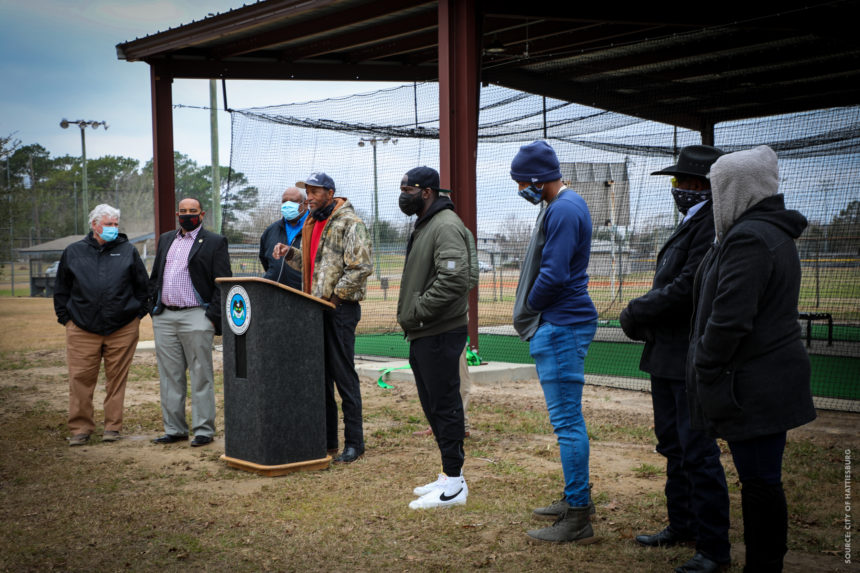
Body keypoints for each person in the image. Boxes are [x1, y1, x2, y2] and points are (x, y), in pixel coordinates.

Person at [688, 145, 816, 573]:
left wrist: (704, 364)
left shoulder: (750, 238)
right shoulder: (769, 231)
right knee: (762, 480)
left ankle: (764, 565)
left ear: (738, 189)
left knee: (760, 483)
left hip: (758, 386)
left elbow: (730, 320)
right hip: (767, 381)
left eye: (719, 188)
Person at [619, 145, 731, 573]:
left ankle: (713, 548)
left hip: (688, 357)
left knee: (697, 451)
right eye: (677, 182)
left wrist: (637, 310)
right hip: (665, 357)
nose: (679, 189)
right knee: (673, 446)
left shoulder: (713, 226)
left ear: (706, 187)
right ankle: (681, 525)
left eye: (686, 183)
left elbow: (687, 287)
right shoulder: (691, 222)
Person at [510, 141, 599, 543]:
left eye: (520, 183)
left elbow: (554, 274)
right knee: (567, 421)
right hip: (562, 321)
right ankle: (574, 498)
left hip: (561, 324)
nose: (519, 191)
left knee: (567, 424)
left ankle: (578, 516)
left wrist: (530, 307)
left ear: (536, 178)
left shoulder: (563, 208)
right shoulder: (564, 204)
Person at [273, 172, 372, 463]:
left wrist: (335, 298)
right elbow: (314, 262)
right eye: (309, 192)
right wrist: (289, 253)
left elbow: (361, 267)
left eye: (315, 192)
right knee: (320, 378)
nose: (310, 197)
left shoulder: (350, 222)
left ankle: (355, 443)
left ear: (330, 193)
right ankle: (327, 440)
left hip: (339, 310)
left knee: (344, 377)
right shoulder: (312, 222)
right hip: (313, 309)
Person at [395, 166, 475, 510]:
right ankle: (447, 475)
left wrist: (417, 310)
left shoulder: (445, 225)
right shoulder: (428, 223)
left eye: (407, 190)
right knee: (433, 405)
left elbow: (456, 279)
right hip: (426, 330)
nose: (403, 196)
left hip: (439, 330)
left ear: (427, 192)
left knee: (445, 405)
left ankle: (456, 485)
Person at [53, 204, 150, 446]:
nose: (113, 229)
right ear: (95, 225)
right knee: (80, 379)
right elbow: (61, 289)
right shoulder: (74, 252)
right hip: (82, 329)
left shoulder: (128, 251)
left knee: (116, 380)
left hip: (122, 328)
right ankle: (80, 429)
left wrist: (137, 315)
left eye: (116, 224)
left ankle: (112, 428)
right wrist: (66, 318)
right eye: (109, 225)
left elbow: (143, 287)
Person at [149, 197, 232, 447]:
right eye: (183, 211)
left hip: (197, 315)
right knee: (169, 375)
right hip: (165, 316)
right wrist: (152, 308)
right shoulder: (166, 239)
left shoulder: (215, 242)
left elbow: (223, 281)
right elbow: (155, 276)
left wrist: (211, 318)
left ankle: (203, 430)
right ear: (177, 213)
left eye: (192, 211)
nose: (187, 215)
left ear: (202, 213)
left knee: (200, 374)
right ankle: (174, 429)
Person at [412, 218, 479, 440]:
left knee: (457, 370)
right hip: (431, 315)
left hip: (451, 315)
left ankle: (461, 425)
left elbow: (468, 275)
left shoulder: (456, 230)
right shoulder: (425, 232)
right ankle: (440, 424)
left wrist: (442, 301)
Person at [259, 186, 308, 289]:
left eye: (293, 201)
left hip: (303, 297)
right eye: (284, 201)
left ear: (305, 204)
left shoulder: (315, 228)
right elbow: (264, 259)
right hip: (272, 294)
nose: (287, 205)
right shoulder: (271, 230)